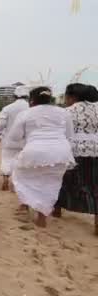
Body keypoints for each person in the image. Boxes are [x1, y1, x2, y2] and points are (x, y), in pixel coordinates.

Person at [10, 87, 75, 228]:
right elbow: (69, 135)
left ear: (31, 100)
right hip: (60, 152)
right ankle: (42, 216)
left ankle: (26, 205)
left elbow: (14, 137)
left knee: (20, 176)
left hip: (35, 150)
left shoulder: (25, 113)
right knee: (51, 184)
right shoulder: (64, 112)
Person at [55, 83, 98, 234]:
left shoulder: (67, 111)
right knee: (95, 186)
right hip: (96, 151)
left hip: (73, 151)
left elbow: (60, 132)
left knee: (64, 181)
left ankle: (57, 210)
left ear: (72, 97)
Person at [0, 86, 30, 191]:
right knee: (20, 162)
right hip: (25, 141)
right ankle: (16, 184)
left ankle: (5, 178)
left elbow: (1, 125)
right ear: (27, 96)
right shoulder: (31, 108)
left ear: (14, 96)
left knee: (6, 160)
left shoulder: (8, 108)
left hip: (9, 140)